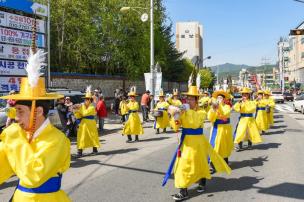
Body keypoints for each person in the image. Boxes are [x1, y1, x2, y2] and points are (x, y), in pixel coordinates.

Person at [0, 50, 71, 201]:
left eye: (20, 111)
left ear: (38, 111)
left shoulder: (57, 140)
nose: (15, 117)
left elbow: (33, 176)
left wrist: (14, 137)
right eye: (15, 111)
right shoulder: (21, 136)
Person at [162, 84, 231, 201]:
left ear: (196, 100)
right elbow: (176, 127)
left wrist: (184, 111)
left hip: (198, 141)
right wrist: (175, 115)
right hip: (185, 142)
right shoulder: (184, 110)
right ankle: (183, 190)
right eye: (187, 98)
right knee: (182, 165)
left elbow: (194, 123)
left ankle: (202, 182)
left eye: (191, 98)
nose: (188, 100)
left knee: (201, 162)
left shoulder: (201, 112)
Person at [208, 90, 233, 173]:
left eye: (221, 98)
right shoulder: (214, 107)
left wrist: (218, 108)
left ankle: (225, 161)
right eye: (218, 98)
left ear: (224, 99)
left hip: (225, 128)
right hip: (216, 128)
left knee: (224, 145)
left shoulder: (227, 107)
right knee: (214, 146)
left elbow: (224, 115)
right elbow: (210, 118)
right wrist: (213, 109)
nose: (219, 99)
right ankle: (212, 165)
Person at [74, 86, 100, 157]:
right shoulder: (82, 106)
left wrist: (80, 107)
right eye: (85, 99)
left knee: (93, 136)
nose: (86, 100)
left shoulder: (92, 107)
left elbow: (85, 113)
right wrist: (76, 110)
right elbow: (78, 116)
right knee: (81, 137)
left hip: (90, 123)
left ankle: (95, 150)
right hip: (83, 124)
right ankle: (79, 152)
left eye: (87, 99)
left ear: (90, 100)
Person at [233, 87, 262, 151]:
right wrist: (240, 103)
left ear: (248, 95)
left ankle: (249, 144)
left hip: (250, 119)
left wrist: (246, 103)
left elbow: (252, 109)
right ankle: (240, 145)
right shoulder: (240, 102)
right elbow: (236, 108)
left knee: (250, 132)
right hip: (243, 119)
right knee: (240, 131)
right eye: (243, 94)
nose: (244, 95)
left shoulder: (251, 102)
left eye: (246, 94)